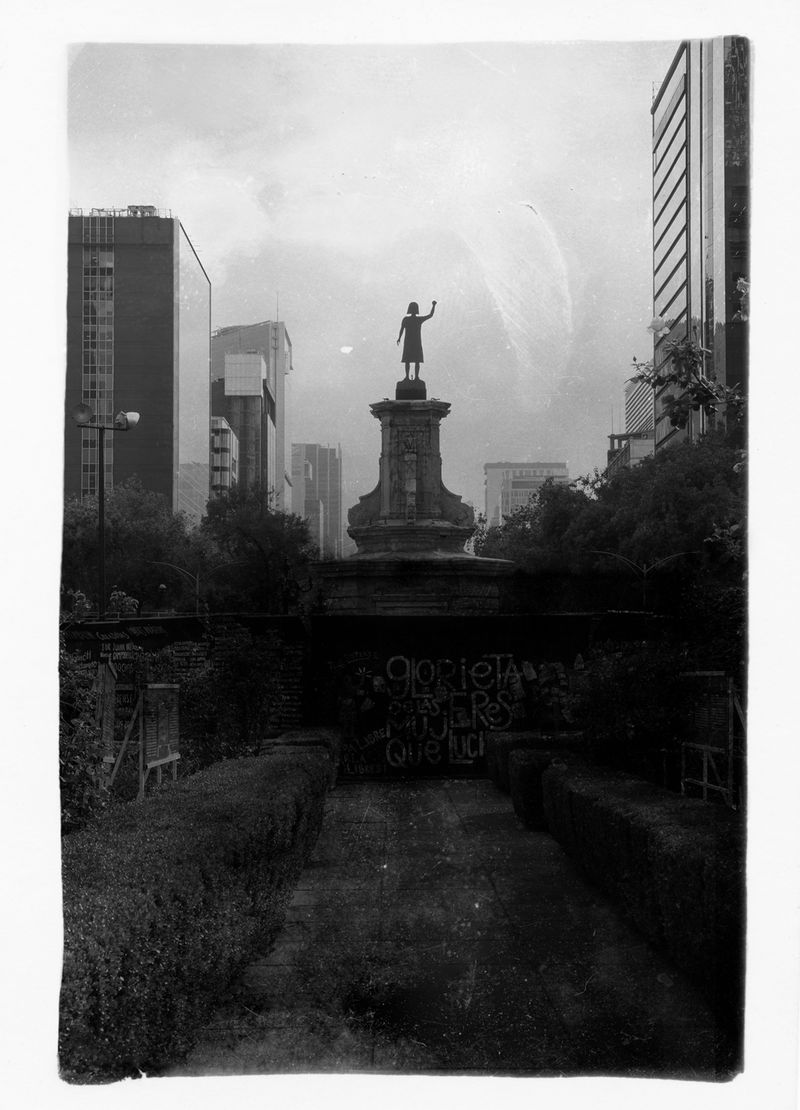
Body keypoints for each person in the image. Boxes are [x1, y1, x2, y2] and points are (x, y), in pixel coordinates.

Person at [397, 300, 437, 380]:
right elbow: (430, 315)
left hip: (411, 342)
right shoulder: (416, 319)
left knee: (411, 360)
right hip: (414, 342)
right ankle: (412, 377)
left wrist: (399, 338)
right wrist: (433, 305)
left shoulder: (407, 319)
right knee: (414, 360)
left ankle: (411, 377)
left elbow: (430, 315)